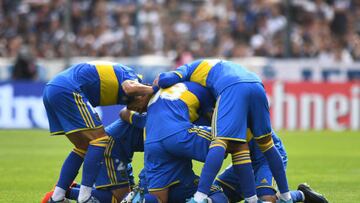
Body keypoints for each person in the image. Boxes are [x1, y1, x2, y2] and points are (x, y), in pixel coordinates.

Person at [157, 59, 291, 203]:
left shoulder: (191, 69)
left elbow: (166, 79)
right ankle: (286, 196)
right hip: (257, 85)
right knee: (266, 145)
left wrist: (153, 86)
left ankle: (199, 197)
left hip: (232, 88)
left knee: (220, 141)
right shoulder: (222, 67)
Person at [43, 61, 154, 203]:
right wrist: (154, 89)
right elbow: (129, 89)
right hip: (68, 88)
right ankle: (84, 197)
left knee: (82, 147)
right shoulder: (131, 77)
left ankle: (57, 196)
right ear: (142, 93)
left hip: (54, 87)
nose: (141, 110)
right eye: (144, 107)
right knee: (100, 140)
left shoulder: (128, 86)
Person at [144, 81, 228, 203]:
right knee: (232, 141)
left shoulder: (152, 107)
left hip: (153, 145)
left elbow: (127, 114)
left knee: (157, 199)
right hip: (178, 134)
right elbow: (214, 114)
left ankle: (140, 198)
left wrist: (127, 114)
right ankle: (250, 197)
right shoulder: (198, 87)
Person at [42, 108, 145, 203]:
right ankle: (63, 193)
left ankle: (71, 188)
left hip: (122, 150)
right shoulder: (155, 117)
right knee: (121, 198)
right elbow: (125, 112)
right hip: (113, 148)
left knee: (131, 193)